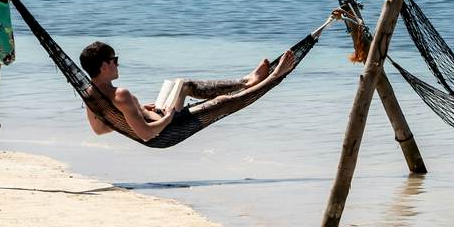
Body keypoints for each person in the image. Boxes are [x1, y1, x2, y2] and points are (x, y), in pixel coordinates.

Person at [77, 40, 298, 140]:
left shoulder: (90, 94)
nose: (117, 63)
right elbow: (146, 135)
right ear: (104, 65)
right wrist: (167, 118)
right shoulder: (120, 95)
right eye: (114, 60)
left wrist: (133, 113)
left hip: (157, 117)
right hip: (166, 129)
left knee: (183, 84)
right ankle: (275, 76)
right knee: (222, 102)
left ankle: (247, 81)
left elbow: (100, 130)